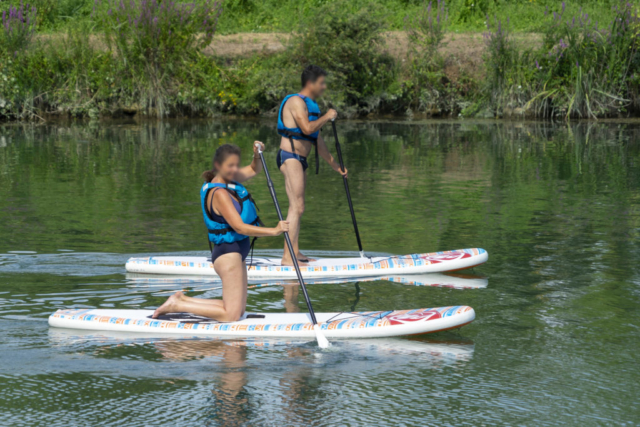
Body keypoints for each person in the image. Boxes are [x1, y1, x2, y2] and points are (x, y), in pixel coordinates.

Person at [153, 142, 289, 321]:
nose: (234, 170)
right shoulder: (219, 193)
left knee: (237, 310)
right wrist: (274, 231)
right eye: (229, 166)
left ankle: (180, 299)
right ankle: (177, 305)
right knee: (231, 315)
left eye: (236, 165)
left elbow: (254, 170)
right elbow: (239, 227)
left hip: (237, 252)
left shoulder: (230, 180)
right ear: (218, 165)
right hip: (228, 254)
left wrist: (256, 154)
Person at [276, 65, 348, 265]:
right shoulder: (295, 102)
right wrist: (327, 117)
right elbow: (307, 129)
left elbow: (317, 140)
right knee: (296, 206)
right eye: (321, 83)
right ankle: (287, 257)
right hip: (289, 156)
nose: (324, 87)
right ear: (311, 83)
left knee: (299, 206)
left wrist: (335, 165)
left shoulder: (311, 105)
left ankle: (295, 252)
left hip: (300, 160)